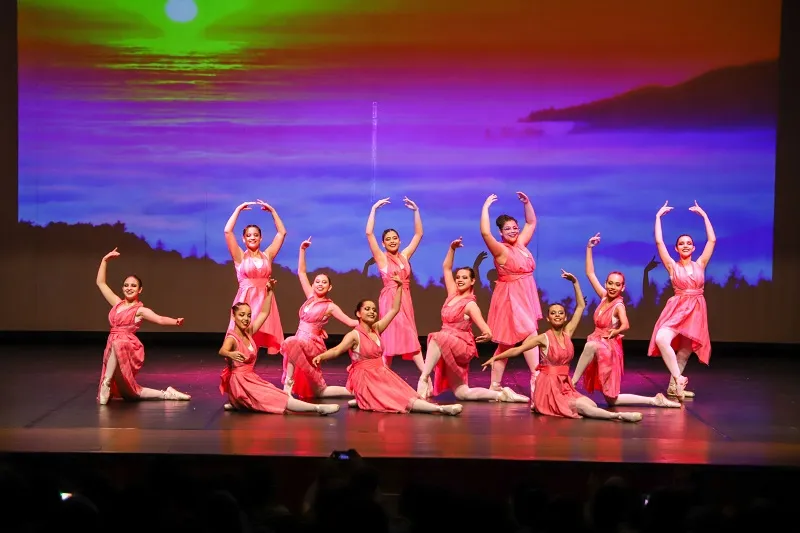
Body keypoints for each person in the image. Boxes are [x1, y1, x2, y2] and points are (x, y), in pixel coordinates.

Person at [482, 270, 643, 422]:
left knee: (590, 404)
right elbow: (517, 350)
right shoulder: (543, 338)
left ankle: (600, 411)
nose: (557, 315)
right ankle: (619, 416)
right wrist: (495, 357)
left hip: (565, 385)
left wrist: (575, 283)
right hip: (548, 386)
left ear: (565, 317)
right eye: (553, 313)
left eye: (560, 313)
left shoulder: (568, 333)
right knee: (582, 407)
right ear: (548, 318)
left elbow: (580, 306)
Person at [312, 277, 463, 415]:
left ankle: (363, 399)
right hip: (366, 378)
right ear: (358, 314)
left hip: (382, 373)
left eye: (373, 309)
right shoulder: (354, 335)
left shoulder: (376, 328)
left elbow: (394, 310)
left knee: (405, 393)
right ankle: (441, 409)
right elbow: (337, 350)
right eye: (367, 309)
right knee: (398, 399)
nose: (372, 312)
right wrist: (321, 356)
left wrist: (398, 287)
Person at [570, 234, 681, 409]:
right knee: (611, 400)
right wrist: (589, 248)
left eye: (617, 284)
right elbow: (590, 273)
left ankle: (572, 383)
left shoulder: (618, 305)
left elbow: (626, 324)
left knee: (590, 347)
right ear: (606, 284)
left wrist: (616, 330)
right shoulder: (603, 297)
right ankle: (654, 400)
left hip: (609, 348)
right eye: (610, 283)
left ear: (623, 287)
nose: (612, 287)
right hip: (599, 343)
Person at [416, 238, 528, 403]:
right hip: (447, 342)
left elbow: (486, 329)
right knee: (462, 393)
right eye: (458, 277)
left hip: (462, 346)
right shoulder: (452, 294)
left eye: (465, 278)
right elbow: (446, 268)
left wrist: (487, 335)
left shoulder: (470, 304)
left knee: (436, 336)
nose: (460, 280)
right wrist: (452, 248)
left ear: (472, 281)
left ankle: (424, 379)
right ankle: (502, 395)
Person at [219, 284, 340, 415]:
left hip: (251, 379)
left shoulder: (249, 332)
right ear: (234, 316)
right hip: (240, 383)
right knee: (276, 398)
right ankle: (318, 408)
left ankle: (238, 403)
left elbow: (264, 313)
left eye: (248, 315)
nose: (246, 319)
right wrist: (230, 353)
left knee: (275, 392)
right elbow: (222, 351)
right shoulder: (232, 338)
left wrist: (270, 292)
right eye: (242, 315)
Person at [95, 248, 191, 405]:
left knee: (118, 342)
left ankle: (106, 382)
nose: (129, 288)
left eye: (133, 285)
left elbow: (159, 319)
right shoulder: (117, 303)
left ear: (139, 290)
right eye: (126, 285)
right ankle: (167, 394)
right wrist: (104, 260)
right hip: (112, 348)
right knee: (131, 393)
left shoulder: (139, 310)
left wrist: (175, 321)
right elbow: (100, 283)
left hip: (126, 346)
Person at [648, 201, 716, 399]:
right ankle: (679, 378)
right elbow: (659, 243)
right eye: (681, 244)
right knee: (662, 338)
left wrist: (704, 216)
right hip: (677, 307)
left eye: (688, 243)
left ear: (694, 247)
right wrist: (658, 218)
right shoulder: (671, 266)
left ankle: (673, 386)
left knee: (685, 350)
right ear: (676, 249)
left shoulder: (700, 264)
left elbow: (711, 241)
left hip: (695, 309)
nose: (685, 245)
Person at [480, 192, 542, 398]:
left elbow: (531, 223)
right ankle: (536, 378)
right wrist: (486, 208)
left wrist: (527, 203)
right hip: (511, 298)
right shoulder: (501, 251)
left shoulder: (521, 245)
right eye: (508, 229)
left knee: (506, 342)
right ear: (501, 232)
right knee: (530, 334)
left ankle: (495, 386)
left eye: (515, 228)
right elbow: (485, 234)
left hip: (526, 295)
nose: (514, 231)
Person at [280, 237, 358, 399]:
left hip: (312, 344)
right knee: (319, 391)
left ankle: (287, 386)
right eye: (317, 281)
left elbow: (350, 322)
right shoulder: (309, 297)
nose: (319, 284)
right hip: (299, 341)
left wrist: (375, 323)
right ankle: (354, 391)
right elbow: (301, 272)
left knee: (290, 342)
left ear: (329, 287)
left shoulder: (330, 306)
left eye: (324, 282)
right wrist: (302, 250)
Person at [365, 196, 424, 370]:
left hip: (405, 298)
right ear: (383, 243)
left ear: (400, 240)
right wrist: (374, 209)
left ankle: (425, 378)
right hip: (390, 300)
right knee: (391, 338)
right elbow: (369, 233)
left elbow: (419, 234)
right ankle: (384, 377)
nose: (392, 240)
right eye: (388, 239)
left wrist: (416, 211)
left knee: (410, 335)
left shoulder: (405, 256)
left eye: (394, 238)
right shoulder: (382, 258)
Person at [224, 200, 286, 355]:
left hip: (264, 298)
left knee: (255, 339)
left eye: (256, 235)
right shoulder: (240, 256)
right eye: (249, 235)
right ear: (244, 239)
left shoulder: (267, 255)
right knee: (241, 337)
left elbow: (281, 233)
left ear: (261, 238)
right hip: (246, 298)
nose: (252, 237)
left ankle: (248, 369)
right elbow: (227, 232)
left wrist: (273, 211)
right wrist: (238, 209)